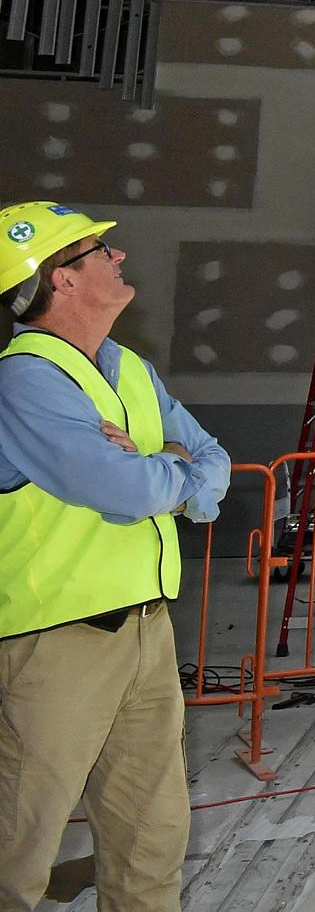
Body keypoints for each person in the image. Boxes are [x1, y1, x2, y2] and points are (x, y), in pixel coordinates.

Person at [0, 201, 230, 912]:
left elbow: (215, 463)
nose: (118, 256)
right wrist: (166, 468)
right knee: (19, 842)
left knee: (150, 835)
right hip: (57, 640)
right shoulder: (24, 380)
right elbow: (117, 486)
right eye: (99, 249)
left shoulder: (129, 369)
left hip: (145, 630)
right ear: (60, 281)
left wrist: (164, 467)